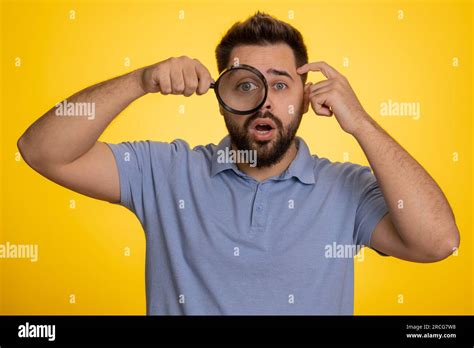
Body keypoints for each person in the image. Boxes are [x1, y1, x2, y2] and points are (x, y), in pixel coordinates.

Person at [17, 11, 460, 315]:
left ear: (308, 99)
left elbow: (439, 243)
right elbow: (41, 151)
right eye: (245, 85)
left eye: (281, 85)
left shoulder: (346, 189)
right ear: (222, 99)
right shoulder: (166, 172)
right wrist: (140, 80)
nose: (263, 103)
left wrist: (361, 123)